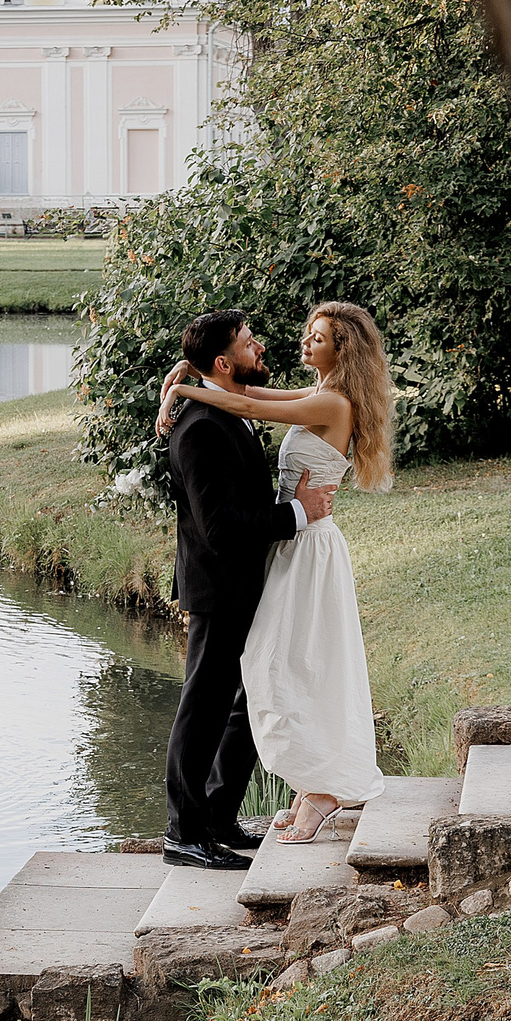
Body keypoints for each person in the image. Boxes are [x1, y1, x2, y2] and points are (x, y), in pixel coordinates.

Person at [160, 302, 395, 842]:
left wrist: (184, 390)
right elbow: (252, 396)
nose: (302, 343)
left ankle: (313, 790)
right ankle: (281, 796)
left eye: (318, 338)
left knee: (291, 668)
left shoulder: (333, 403)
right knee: (273, 673)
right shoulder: (319, 393)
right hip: (286, 546)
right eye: (309, 334)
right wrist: (190, 377)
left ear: (343, 350)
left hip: (306, 547)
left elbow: (250, 404)